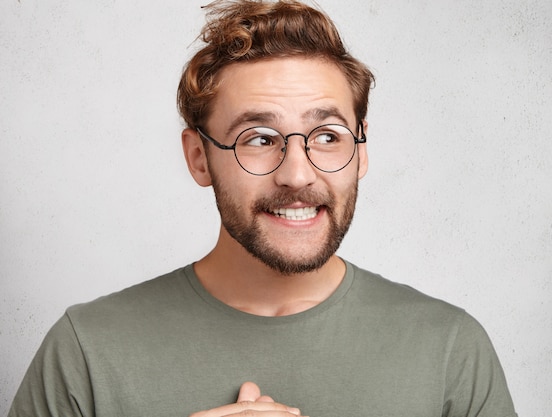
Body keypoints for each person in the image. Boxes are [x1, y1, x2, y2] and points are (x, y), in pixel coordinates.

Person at [8, 1, 517, 416]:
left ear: (360, 153)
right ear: (198, 158)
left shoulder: (451, 350)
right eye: (258, 138)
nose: (297, 173)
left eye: (326, 136)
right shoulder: (85, 352)